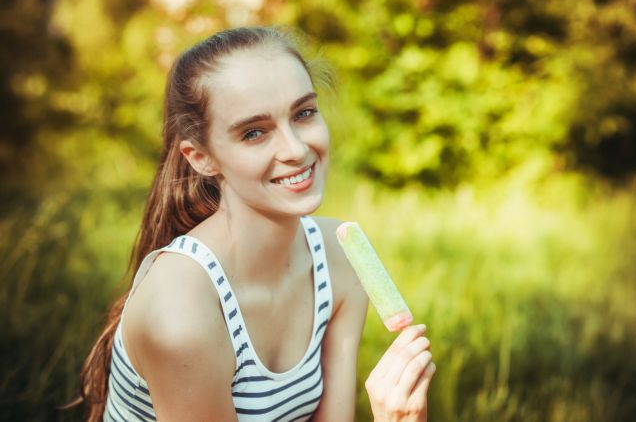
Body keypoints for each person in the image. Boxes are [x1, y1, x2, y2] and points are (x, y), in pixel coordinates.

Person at [77, 27, 435, 422]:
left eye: (304, 113)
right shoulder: (181, 310)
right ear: (200, 157)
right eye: (254, 133)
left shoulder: (339, 261)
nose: (296, 149)